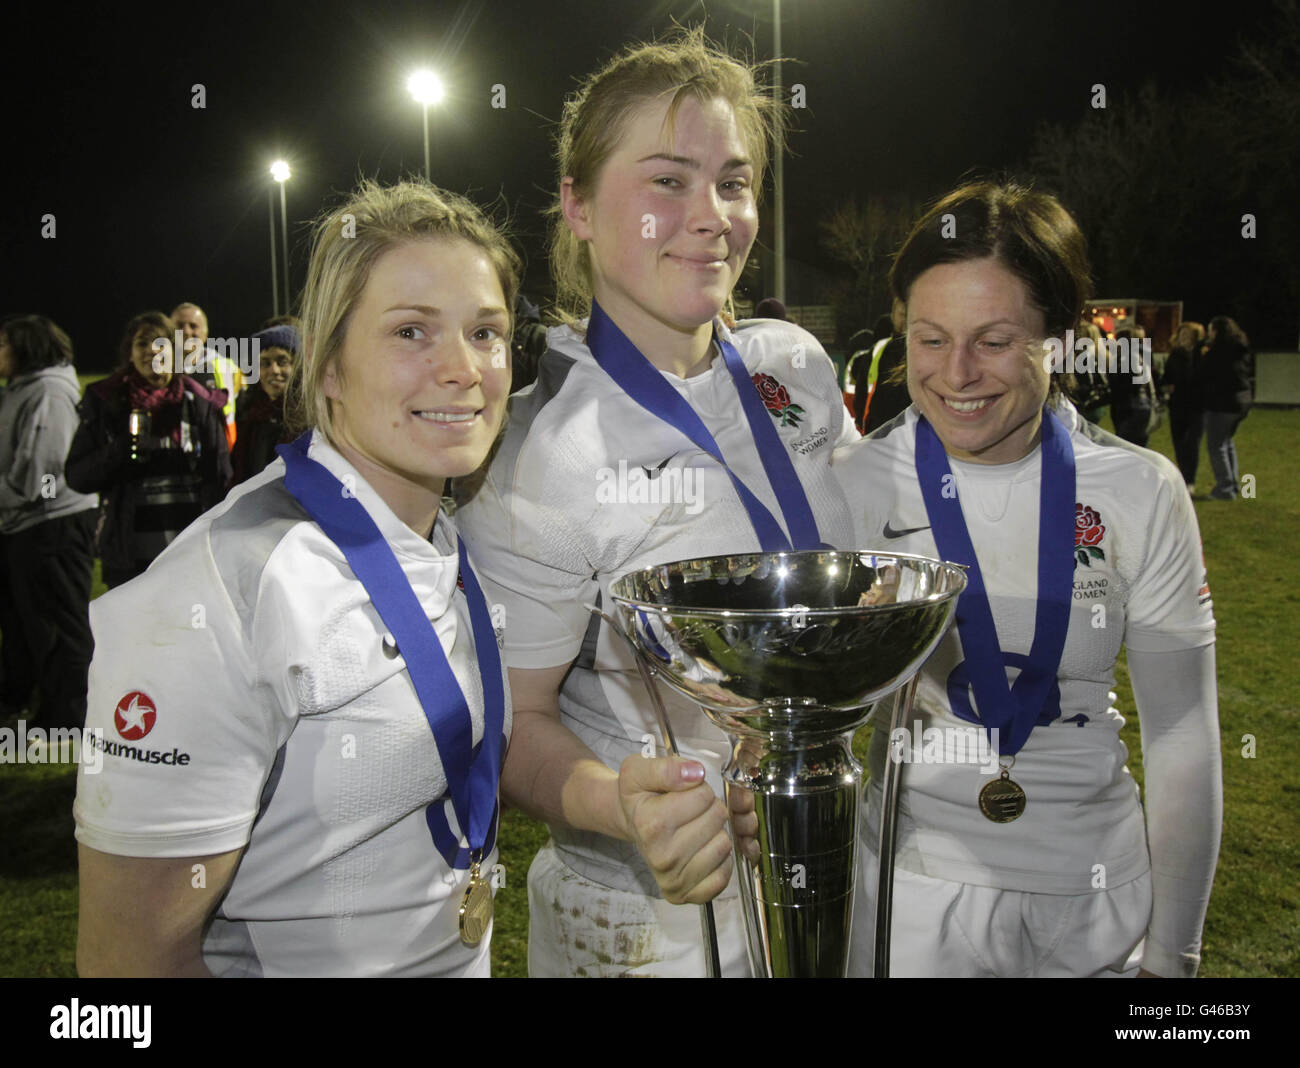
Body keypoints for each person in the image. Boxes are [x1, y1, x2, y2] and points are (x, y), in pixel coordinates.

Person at [455, 28, 857, 976]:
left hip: (831, 850)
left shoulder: (792, 365)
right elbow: (514, 726)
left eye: (735, 180)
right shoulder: (535, 450)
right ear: (580, 204)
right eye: (669, 181)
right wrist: (625, 806)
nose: (714, 214)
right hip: (652, 921)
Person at [74, 178, 518, 977]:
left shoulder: (442, 530)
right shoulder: (221, 591)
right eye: (412, 331)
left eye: (486, 332)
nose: (464, 368)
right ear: (328, 369)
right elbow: (125, 968)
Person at [833, 180, 1220, 978]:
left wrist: (1173, 958)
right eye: (930, 340)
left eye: (996, 340)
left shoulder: (1140, 491)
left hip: (1095, 898)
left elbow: (1181, 734)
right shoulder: (854, 484)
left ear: (1060, 338)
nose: (958, 375)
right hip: (909, 897)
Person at [64, 312, 230, 588]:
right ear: (129, 353)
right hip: (129, 559)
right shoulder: (106, 401)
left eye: (161, 342)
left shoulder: (199, 401)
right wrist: (119, 450)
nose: (152, 350)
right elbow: (77, 476)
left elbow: (221, 477)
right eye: (142, 343)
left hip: (189, 555)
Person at [0, 316, 99, 730]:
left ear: (27, 347)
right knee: (30, 624)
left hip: (52, 524)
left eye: (4, 344)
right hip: (28, 524)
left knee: (60, 624)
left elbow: (42, 475)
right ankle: (40, 704)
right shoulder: (24, 389)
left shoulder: (50, 392)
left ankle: (71, 717)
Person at [230, 322, 299, 485]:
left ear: (297, 367)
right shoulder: (249, 417)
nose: (274, 370)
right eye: (265, 363)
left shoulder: (311, 418)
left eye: (282, 362)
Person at [171, 301, 244, 448]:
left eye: (193, 326)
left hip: (218, 456)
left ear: (205, 332)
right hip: (173, 457)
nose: (186, 331)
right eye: (179, 326)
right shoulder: (158, 370)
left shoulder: (230, 369)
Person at [1199, 316, 1253, 501]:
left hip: (1222, 404)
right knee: (1227, 442)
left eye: (1211, 329)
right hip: (1242, 400)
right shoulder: (1239, 348)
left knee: (1216, 446)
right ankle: (1233, 483)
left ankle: (1225, 487)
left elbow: (1206, 374)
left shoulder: (1217, 352)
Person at [1162, 321, 1206, 491]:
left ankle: (1190, 481)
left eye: (1188, 335)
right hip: (1177, 404)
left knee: (1192, 443)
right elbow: (1168, 378)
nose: (1184, 338)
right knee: (1179, 443)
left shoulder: (1201, 355)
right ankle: (1183, 477)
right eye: (1182, 334)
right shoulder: (1175, 355)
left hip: (1196, 406)